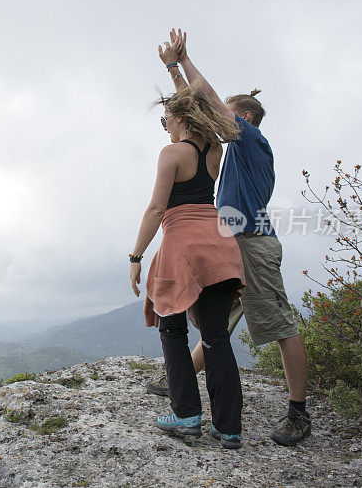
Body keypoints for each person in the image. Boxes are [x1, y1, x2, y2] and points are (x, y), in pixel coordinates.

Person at [150, 29, 312, 447]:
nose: (218, 121)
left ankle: (299, 414)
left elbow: (206, 106)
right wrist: (175, 77)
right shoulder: (230, 149)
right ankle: (178, 380)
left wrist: (179, 64)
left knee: (279, 324)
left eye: (228, 115)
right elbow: (195, 112)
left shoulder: (253, 142)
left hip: (253, 245)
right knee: (217, 328)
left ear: (246, 119)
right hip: (226, 244)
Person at [128, 70, 247, 449]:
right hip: (220, 247)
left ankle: (186, 416)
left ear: (180, 118)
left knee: (172, 330)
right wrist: (174, 69)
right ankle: (229, 429)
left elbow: (155, 208)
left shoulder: (172, 153)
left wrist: (136, 256)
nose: (164, 127)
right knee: (215, 338)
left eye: (166, 120)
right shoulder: (214, 150)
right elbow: (198, 105)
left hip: (181, 247)